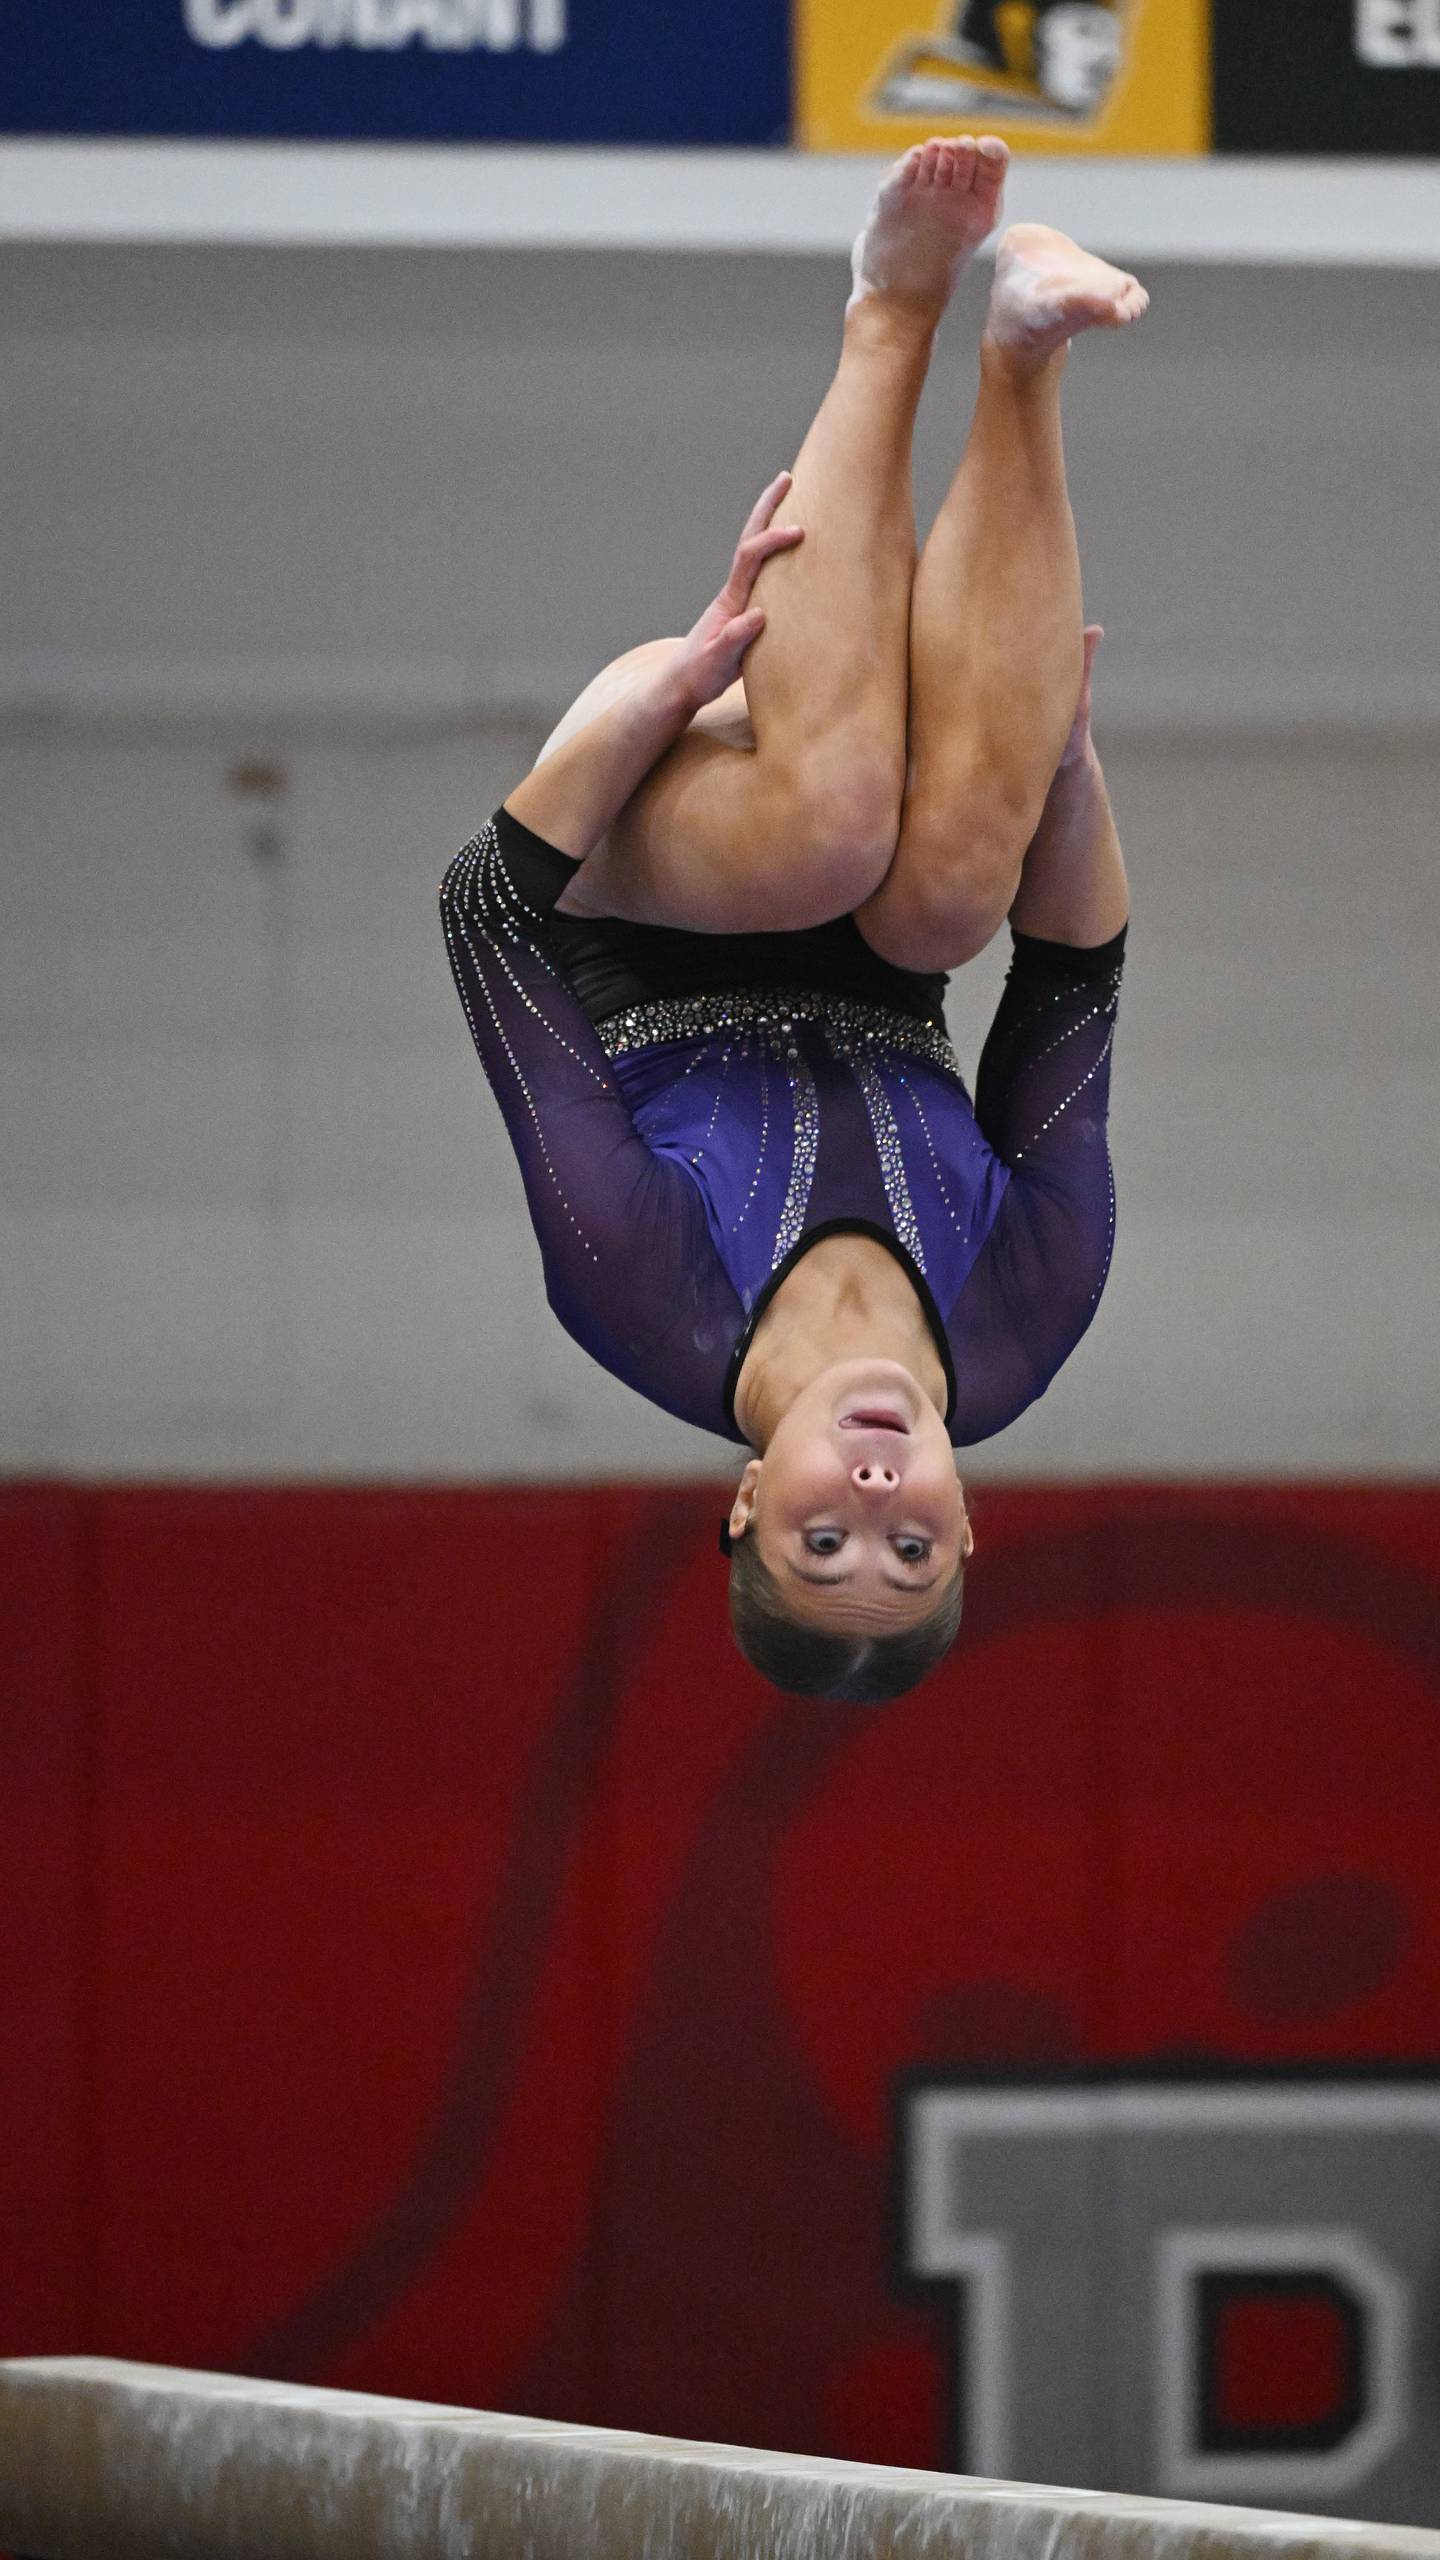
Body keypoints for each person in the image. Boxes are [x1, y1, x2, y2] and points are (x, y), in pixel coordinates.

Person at [441, 137, 1143, 1702]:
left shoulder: (640, 1295)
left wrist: (660, 698)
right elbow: (1075, 980)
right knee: (957, 883)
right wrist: (1061, 768)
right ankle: (1026, 346)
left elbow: (487, 915)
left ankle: (895, 305)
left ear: (746, 1504)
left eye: (822, 1547)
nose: (876, 1511)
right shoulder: (1024, 1320)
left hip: (644, 865)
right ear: (972, 1529)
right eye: (912, 1552)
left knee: (829, 836)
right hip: (889, 927)